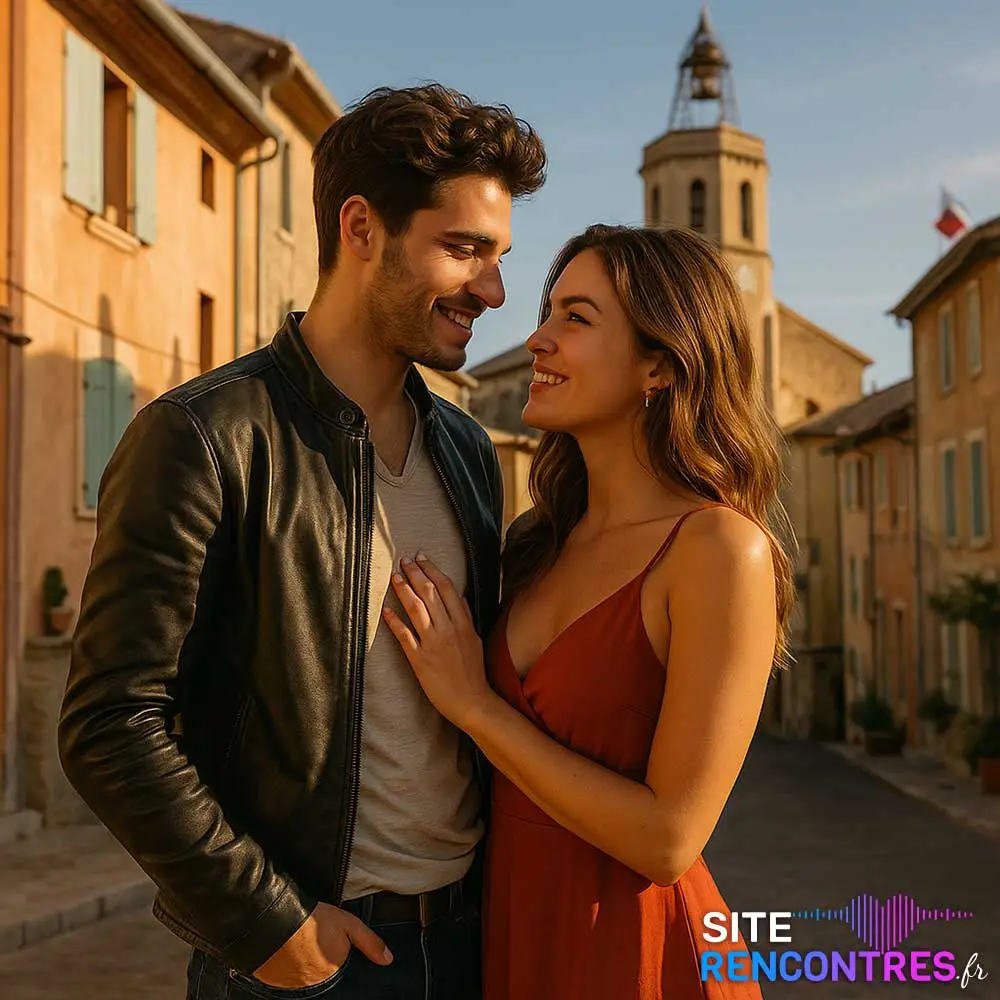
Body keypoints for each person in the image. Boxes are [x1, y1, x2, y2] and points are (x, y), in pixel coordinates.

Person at [58, 83, 545, 1000]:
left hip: (474, 945)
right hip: (311, 962)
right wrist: (264, 922)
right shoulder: (203, 437)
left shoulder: (472, 451)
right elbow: (109, 722)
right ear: (361, 228)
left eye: (499, 255)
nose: (493, 288)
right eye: (465, 248)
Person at [381, 224, 795, 999]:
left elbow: (670, 840)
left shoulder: (717, 550)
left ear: (661, 365)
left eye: (575, 317)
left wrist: (474, 705)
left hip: (640, 953)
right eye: (549, 312)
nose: (536, 339)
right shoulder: (538, 540)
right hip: (511, 939)